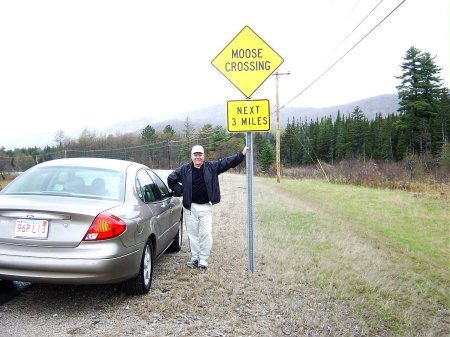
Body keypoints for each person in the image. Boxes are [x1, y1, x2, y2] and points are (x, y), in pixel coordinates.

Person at [167, 144, 248, 269]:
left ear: (203, 156)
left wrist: (241, 155)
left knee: (206, 233)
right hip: (190, 208)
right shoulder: (184, 170)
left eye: (200, 154)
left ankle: (203, 258)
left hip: (205, 207)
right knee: (192, 235)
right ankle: (195, 258)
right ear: (192, 156)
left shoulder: (212, 167)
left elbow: (227, 162)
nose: (198, 157)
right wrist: (181, 191)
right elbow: (171, 179)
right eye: (195, 154)